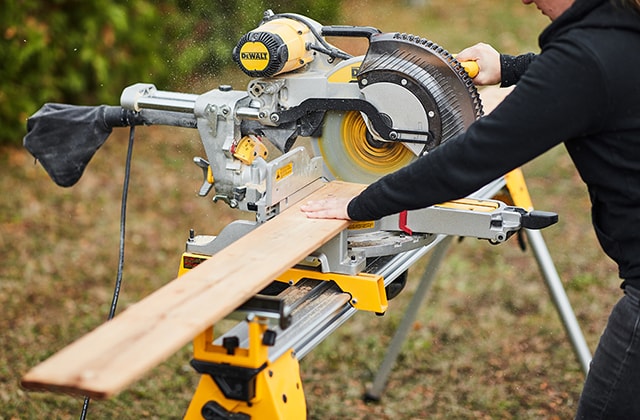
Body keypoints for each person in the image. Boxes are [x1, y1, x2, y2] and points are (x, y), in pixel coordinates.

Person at [301, 0, 640, 417]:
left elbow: (472, 158)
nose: (526, 1)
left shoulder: (586, 56)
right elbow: (591, 75)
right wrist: (511, 68)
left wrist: (359, 203)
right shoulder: (622, 28)